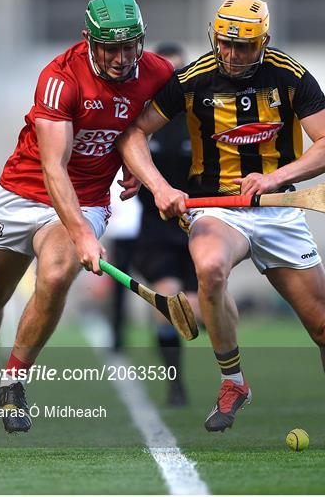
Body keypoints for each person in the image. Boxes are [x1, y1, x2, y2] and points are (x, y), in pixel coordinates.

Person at [116, 0, 325, 448]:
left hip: (280, 210)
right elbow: (134, 134)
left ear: (263, 42)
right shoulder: (192, 80)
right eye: (224, 44)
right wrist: (159, 187)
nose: (232, 55)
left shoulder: (291, 76)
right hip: (219, 210)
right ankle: (233, 379)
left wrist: (276, 177)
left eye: (243, 47)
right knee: (208, 266)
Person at [0, 0, 173, 436]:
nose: (123, 58)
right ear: (88, 41)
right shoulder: (60, 79)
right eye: (111, 48)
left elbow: (137, 130)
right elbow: (52, 167)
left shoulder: (156, 72)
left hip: (87, 197)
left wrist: (138, 169)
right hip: (22, 193)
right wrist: (84, 234)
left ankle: (13, 382)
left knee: (57, 271)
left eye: (130, 46)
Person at [131, 42, 200, 407]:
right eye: (166, 72)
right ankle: (175, 384)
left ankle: (231, 381)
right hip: (156, 231)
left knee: (196, 311)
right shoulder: (143, 122)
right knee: (171, 303)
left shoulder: (197, 118)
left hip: (196, 227)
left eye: (179, 72)